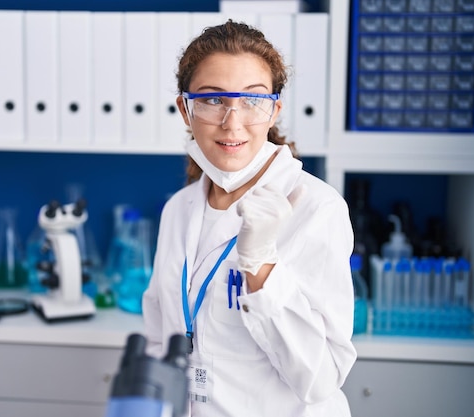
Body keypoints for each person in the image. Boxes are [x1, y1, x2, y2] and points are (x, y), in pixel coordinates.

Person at [142, 20, 357, 417]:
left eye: (252, 100)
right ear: (185, 110)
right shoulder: (179, 209)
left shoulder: (316, 208)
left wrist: (261, 267)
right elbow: (161, 335)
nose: (232, 122)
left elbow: (321, 378)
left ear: (274, 110)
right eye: (212, 100)